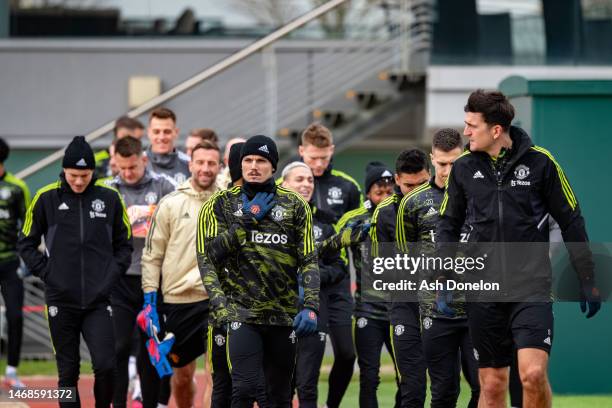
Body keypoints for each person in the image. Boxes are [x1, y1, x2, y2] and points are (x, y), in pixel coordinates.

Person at [437, 89, 601, 407]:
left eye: (472, 125)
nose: (466, 132)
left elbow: (571, 219)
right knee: (493, 385)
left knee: (533, 374)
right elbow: (448, 226)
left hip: (531, 288)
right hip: (482, 289)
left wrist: (587, 276)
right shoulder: (463, 169)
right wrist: (443, 277)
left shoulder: (542, 163)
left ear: (496, 130)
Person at [198, 135, 320, 408]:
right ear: (240, 164)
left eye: (261, 161)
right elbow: (208, 257)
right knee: (242, 389)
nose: (254, 166)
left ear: (273, 167)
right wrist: (247, 220)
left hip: (282, 315)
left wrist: (311, 306)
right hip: (241, 313)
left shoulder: (295, 205)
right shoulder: (220, 204)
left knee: (277, 397)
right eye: (248, 160)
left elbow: (309, 259)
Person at [18, 136, 133, 407]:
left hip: (99, 301)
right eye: (73, 175)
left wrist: (109, 279)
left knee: (106, 366)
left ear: (93, 172)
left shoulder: (110, 198)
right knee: (67, 373)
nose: (78, 181)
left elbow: (124, 246)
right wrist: (48, 273)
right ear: (64, 170)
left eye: (84, 175)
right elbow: (26, 243)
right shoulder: (45, 198)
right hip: (60, 301)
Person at [395, 129, 479, 407]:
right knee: (444, 392)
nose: (448, 170)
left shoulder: (480, 197)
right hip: (436, 312)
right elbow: (404, 258)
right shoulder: (412, 202)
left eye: (455, 163)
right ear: (432, 159)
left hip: (478, 309)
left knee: (485, 387)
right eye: (442, 164)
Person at [141, 140, 221, 408]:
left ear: (219, 166)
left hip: (216, 301)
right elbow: (152, 255)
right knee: (183, 377)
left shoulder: (228, 204)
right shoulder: (170, 203)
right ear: (191, 164)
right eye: (201, 162)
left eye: (212, 163)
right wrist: (150, 298)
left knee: (217, 375)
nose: (206, 168)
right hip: (178, 301)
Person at [108, 136, 175, 408]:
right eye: (121, 168)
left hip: (154, 281)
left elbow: (177, 222)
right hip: (120, 280)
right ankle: (117, 403)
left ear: (143, 160)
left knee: (152, 350)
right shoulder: (109, 191)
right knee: (118, 347)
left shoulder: (164, 185)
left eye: (132, 167)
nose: (126, 174)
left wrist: (149, 213)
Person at [361, 152, 429, 408]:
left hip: (443, 306)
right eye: (409, 185)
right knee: (410, 382)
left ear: (429, 176)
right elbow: (381, 267)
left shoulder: (445, 204)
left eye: (421, 185)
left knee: (450, 383)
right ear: (397, 180)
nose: (414, 192)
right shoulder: (384, 214)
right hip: (401, 304)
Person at [281, 161, 348, 408]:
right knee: (280, 384)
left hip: (312, 309)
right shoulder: (269, 220)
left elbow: (339, 266)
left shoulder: (325, 223)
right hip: (278, 311)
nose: (306, 184)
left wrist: (311, 275)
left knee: (307, 383)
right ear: (284, 184)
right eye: (299, 180)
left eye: (309, 180)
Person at [333, 161, 394, 407]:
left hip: (402, 310)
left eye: (390, 192)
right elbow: (331, 251)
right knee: (369, 377)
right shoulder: (354, 218)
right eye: (379, 192)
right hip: (367, 311)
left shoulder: (406, 213)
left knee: (408, 376)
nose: (385, 197)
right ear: (368, 193)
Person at [0, 138, 30, 389]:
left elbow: (28, 227)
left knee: (15, 316)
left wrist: (25, 259)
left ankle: (11, 370)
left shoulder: (17, 187)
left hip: (10, 263)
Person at [297, 123, 362, 222]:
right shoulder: (283, 185)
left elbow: (359, 224)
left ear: (331, 150)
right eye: (313, 158)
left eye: (324, 157)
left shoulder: (349, 185)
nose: (319, 164)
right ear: (301, 151)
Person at [145, 107, 191, 186]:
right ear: (148, 133)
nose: (162, 137)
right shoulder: (137, 163)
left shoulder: (189, 164)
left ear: (176, 132)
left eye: (167, 132)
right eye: (156, 132)